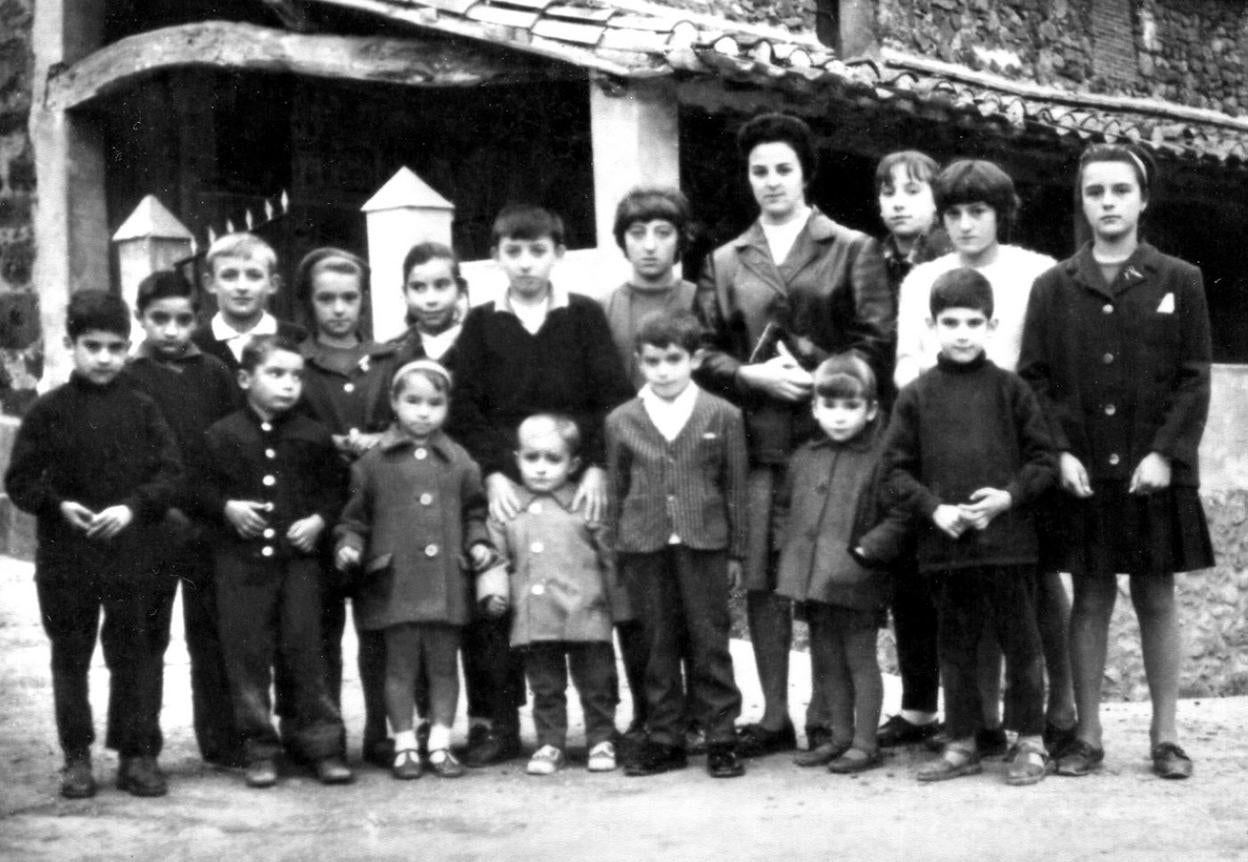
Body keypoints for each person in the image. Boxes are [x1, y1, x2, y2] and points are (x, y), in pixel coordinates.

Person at [695, 113, 891, 758]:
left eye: (784, 168)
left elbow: (877, 341)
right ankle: (774, 714)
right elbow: (701, 351)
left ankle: (827, 714)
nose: (772, 181)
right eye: (760, 171)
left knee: (826, 575)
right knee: (762, 579)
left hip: (832, 443)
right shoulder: (726, 260)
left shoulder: (851, 248)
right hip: (758, 442)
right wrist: (748, 376)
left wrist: (821, 377)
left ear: (806, 174)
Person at [1019, 143, 1214, 780]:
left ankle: (1166, 737)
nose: (1108, 202)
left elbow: (1194, 377)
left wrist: (1164, 453)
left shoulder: (1178, 279)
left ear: (1143, 199)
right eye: (1095, 191)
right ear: (1082, 200)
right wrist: (1060, 452)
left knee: (1155, 593)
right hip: (1083, 470)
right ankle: (1087, 736)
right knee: (1091, 596)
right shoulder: (1054, 285)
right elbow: (1034, 378)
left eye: (1121, 190)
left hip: (1151, 469)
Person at [894, 159, 1076, 756]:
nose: (967, 224)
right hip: (948, 443)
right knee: (965, 596)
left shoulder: (1036, 271)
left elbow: (1052, 365)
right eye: (954, 213)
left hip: (1021, 445)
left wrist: (1048, 451)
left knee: (1034, 589)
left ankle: (1055, 715)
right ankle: (979, 725)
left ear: (1003, 213)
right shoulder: (923, 279)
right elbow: (908, 363)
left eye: (980, 211)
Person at [448, 204, 633, 766]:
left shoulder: (583, 315)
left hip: (574, 477)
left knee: (589, 591)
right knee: (502, 598)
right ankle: (503, 726)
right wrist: (494, 472)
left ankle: (606, 726)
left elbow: (611, 397)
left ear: (558, 254)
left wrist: (596, 465)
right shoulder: (482, 323)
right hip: (510, 480)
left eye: (537, 251)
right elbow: (466, 408)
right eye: (513, 251)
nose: (526, 263)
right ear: (496, 257)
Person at [5, 290, 181, 798]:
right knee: (70, 655)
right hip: (67, 559)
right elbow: (20, 480)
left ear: (128, 346)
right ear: (70, 345)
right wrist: (57, 505)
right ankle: (76, 756)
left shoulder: (142, 408)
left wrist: (133, 507)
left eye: (116, 347)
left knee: (136, 654)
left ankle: (137, 754)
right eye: (92, 346)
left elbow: (171, 473)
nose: (104, 358)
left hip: (132, 555)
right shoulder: (48, 411)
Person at [884, 268, 1056, 785]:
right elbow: (893, 471)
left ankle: (1030, 742)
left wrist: (1007, 498)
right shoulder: (916, 395)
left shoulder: (1011, 389)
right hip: (947, 547)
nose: (962, 333)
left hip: (1008, 545)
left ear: (992, 325)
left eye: (974, 322)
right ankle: (961, 742)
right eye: (951, 322)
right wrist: (934, 509)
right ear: (931, 326)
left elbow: (1043, 460)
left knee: (1021, 644)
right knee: (955, 648)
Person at [200, 334, 351, 788]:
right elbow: (197, 487)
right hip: (241, 568)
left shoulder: (313, 434)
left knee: (306, 655)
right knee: (247, 659)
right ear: (245, 379)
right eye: (276, 374)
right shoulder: (222, 434)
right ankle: (259, 749)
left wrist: (319, 521)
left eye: (296, 376)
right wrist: (227, 508)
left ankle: (320, 746)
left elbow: (337, 489)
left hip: (298, 566)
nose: (288, 384)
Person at [606, 310, 749, 779]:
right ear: (638, 362)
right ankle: (665, 737)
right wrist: (616, 550)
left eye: (673, 359)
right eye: (653, 361)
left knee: (710, 640)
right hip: (643, 545)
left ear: (695, 359)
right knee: (656, 642)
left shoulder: (722, 414)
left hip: (703, 543)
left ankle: (721, 736)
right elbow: (616, 488)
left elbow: (735, 486)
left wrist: (736, 552)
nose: (664, 371)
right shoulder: (622, 420)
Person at [336, 359, 495, 780]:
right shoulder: (372, 463)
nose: (423, 412)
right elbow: (355, 518)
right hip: (396, 582)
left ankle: (440, 743)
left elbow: (475, 511)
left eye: (434, 403)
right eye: (413, 401)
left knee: (444, 667)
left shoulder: (460, 460)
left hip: (447, 582)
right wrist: (349, 545)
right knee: (399, 668)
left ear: (447, 406)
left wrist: (478, 541)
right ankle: (404, 743)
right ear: (394, 402)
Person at [121, 270, 244, 770]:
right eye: (159, 319)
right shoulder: (128, 376)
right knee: (145, 635)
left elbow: (233, 440)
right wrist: (155, 506)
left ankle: (222, 740)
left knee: (212, 634)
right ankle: (139, 749)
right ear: (140, 318)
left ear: (196, 318)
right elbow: (125, 455)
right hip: (151, 526)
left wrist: (218, 505)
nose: (171, 330)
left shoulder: (214, 372)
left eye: (182, 319)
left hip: (208, 524)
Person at [292, 247, 402, 767]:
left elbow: (412, 417)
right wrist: (327, 441)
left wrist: (383, 437)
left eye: (349, 298)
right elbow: (287, 427)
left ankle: (386, 732)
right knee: (319, 633)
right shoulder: (298, 363)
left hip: (379, 514)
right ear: (309, 302)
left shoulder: (387, 360)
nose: (338, 309)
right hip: (320, 511)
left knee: (381, 629)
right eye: (326, 299)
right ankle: (324, 740)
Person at [774, 354, 909, 773]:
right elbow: (784, 509)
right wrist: (787, 551)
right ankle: (839, 736)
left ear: (870, 410)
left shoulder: (881, 459)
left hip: (857, 576)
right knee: (827, 658)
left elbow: (901, 513)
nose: (838, 416)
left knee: (860, 659)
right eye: (829, 406)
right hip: (813, 578)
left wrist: (869, 550)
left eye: (851, 406)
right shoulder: (804, 456)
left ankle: (866, 743)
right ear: (814, 408)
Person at [600, 185, 699, 748]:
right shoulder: (607, 307)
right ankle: (648, 711)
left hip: (690, 467)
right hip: (635, 470)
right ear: (622, 242)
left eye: (663, 232)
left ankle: (697, 712)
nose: (650, 245)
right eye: (637, 233)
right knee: (637, 599)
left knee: (690, 598)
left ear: (680, 239)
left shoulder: (698, 298)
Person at [863, 149, 951, 750]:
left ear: (936, 202)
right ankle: (919, 707)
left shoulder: (946, 260)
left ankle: (976, 711)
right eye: (888, 192)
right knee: (907, 577)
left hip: (943, 425)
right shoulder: (871, 261)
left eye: (913, 191)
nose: (899, 203)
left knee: (953, 575)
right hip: (889, 430)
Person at [478, 414, 622, 776]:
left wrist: (618, 605)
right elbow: (494, 556)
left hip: (586, 611)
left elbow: (609, 556)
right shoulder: (509, 506)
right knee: (545, 685)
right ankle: (550, 743)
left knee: (597, 682)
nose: (541, 468)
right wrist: (493, 592)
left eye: (553, 459)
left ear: (573, 464)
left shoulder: (585, 502)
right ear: (517, 458)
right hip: (535, 614)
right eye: (531, 458)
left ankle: (601, 738)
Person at [192, 232, 306, 374]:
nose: (242, 287)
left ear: (272, 284)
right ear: (210, 283)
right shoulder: (193, 345)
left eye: (254, 276)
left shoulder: (298, 338)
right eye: (229, 276)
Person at [389, 242, 471, 368]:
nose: (431, 299)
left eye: (441, 285)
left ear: (460, 290)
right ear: (405, 293)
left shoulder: (480, 346)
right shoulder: (391, 355)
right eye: (419, 287)